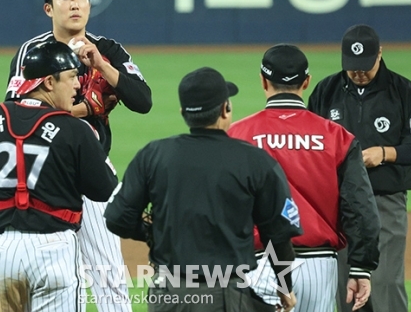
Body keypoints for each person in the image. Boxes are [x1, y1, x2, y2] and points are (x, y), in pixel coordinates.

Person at [5, 0, 152, 311]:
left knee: (109, 274)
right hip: (45, 174)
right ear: (48, 9)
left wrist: (101, 63)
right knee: (58, 276)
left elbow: (142, 101)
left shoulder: (109, 49)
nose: (75, 5)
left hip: (94, 170)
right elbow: (18, 116)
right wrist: (84, 109)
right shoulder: (32, 53)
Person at [103, 67, 303, 312]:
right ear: (225, 109)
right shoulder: (255, 161)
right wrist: (285, 287)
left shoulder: (153, 155)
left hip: (168, 294)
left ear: (183, 113)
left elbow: (117, 218)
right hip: (225, 294)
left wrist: (155, 232)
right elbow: (278, 236)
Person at [0, 41, 119, 311]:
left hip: (2, 251)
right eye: (71, 78)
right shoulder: (74, 129)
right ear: (48, 82)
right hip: (53, 248)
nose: (78, 86)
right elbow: (104, 189)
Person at [227, 44, 381, 312]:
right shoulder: (338, 137)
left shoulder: (237, 135)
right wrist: (360, 267)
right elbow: (360, 207)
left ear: (263, 81)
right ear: (307, 82)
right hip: (319, 267)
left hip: (256, 263)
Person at [308, 24, 411, 312]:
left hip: (386, 201)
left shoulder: (403, 91)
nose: (358, 73)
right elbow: (310, 144)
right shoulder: (326, 90)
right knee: (346, 286)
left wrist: (384, 153)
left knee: (386, 283)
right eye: (352, 67)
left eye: (364, 66)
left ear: (379, 53)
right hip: (340, 203)